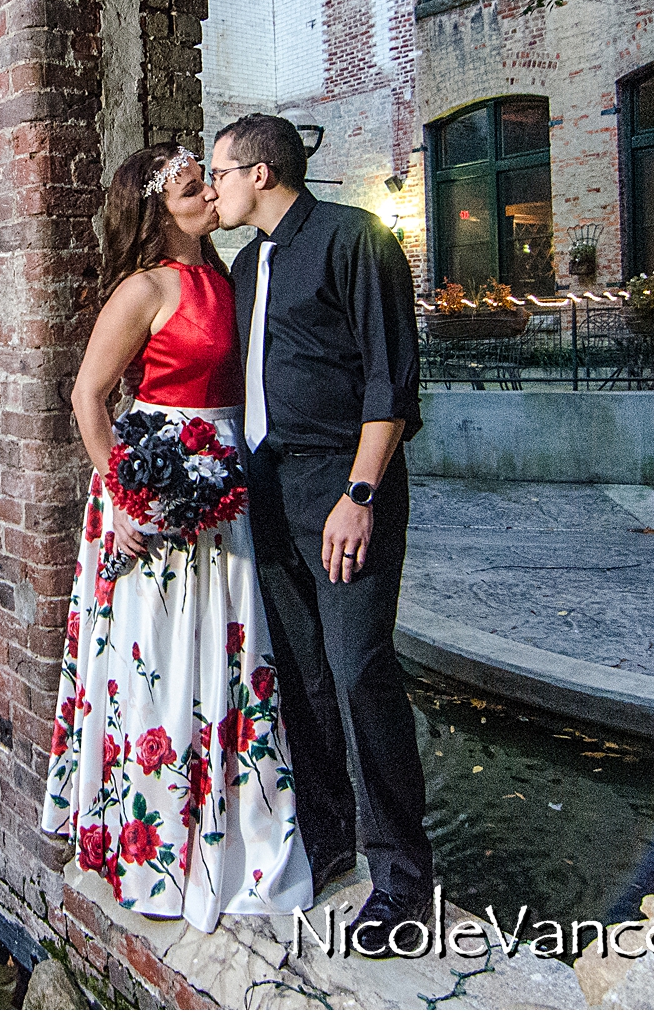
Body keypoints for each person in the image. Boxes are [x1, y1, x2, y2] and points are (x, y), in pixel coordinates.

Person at [41, 141, 314, 932]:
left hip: (229, 485)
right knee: (162, 662)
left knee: (232, 656)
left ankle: (239, 832)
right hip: (159, 489)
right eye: (192, 188)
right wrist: (123, 498)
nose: (206, 196)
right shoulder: (145, 287)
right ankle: (158, 846)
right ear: (159, 208)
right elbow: (87, 396)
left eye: (207, 183)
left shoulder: (231, 278)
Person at [204, 112, 436, 944]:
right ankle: (331, 841)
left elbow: (392, 384)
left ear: (261, 171)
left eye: (220, 172)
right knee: (300, 674)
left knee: (360, 668)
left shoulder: (355, 237)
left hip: (342, 489)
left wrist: (361, 494)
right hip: (266, 490)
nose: (214, 187)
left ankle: (404, 877)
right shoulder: (244, 264)